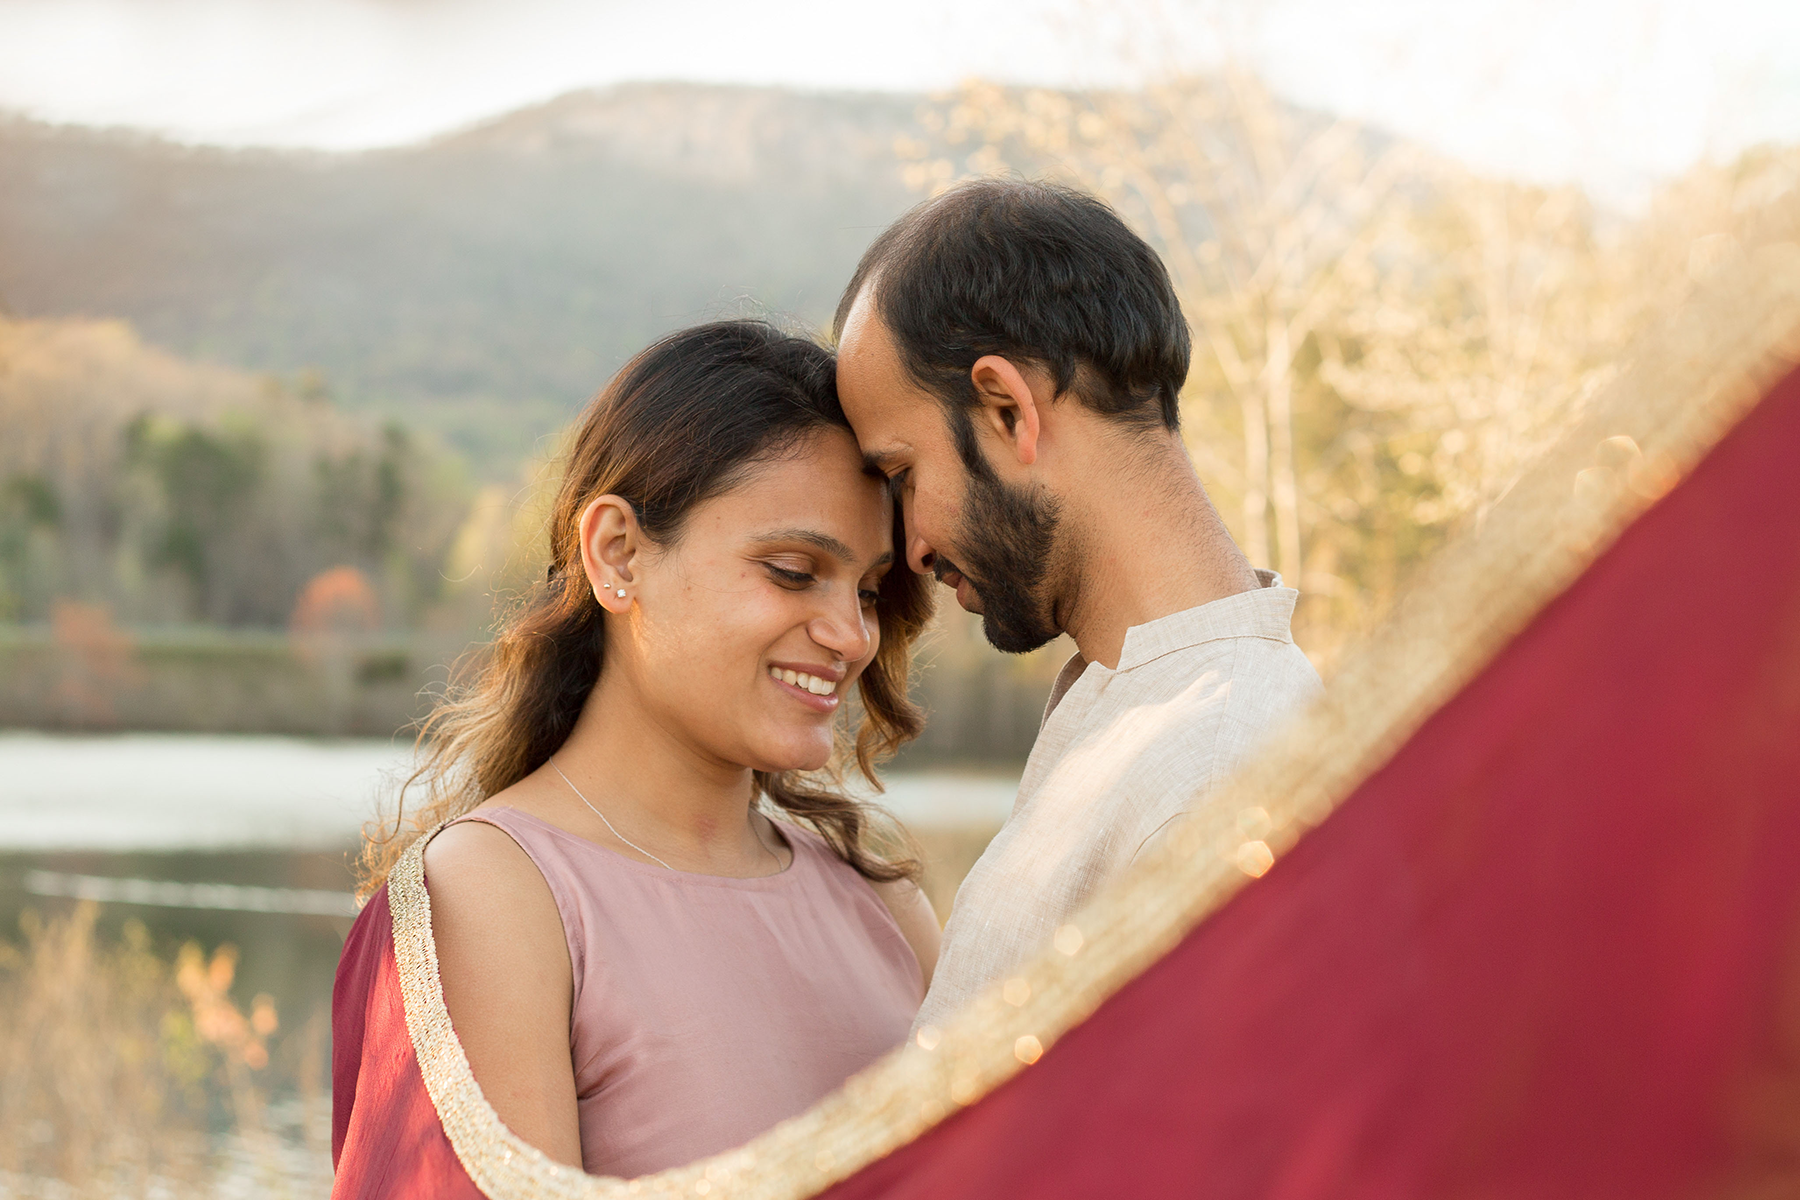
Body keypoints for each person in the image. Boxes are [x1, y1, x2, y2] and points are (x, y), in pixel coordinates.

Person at [331, 321, 941, 1191]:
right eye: (794, 570)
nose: (851, 636)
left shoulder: (887, 910)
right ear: (617, 553)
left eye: (871, 591)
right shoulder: (495, 898)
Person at [834, 179, 1324, 1033]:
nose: (910, 545)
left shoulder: (1212, 770)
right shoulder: (1148, 711)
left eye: (903, 475)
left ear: (1007, 409)